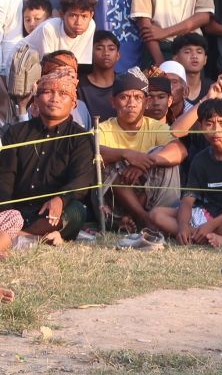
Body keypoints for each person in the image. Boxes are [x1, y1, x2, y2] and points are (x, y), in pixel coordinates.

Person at [148, 97, 222, 246]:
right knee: (156, 214)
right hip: (206, 213)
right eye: (209, 124)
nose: (216, 130)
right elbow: (187, 201)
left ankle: (211, 235)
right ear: (201, 126)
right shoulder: (200, 159)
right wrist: (183, 227)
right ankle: (204, 235)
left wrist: (210, 225)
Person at [0, 68, 92, 243]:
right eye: (48, 92)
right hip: (14, 210)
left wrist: (61, 199)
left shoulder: (81, 138)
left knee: (76, 211)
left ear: (74, 103)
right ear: (36, 100)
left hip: (51, 213)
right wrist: (6, 212)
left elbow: (81, 181)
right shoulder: (16, 132)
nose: (55, 98)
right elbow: (5, 177)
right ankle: (28, 237)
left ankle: (21, 237)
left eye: (63, 93)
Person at [96, 71, 186, 228]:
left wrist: (144, 163)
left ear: (147, 102)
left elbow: (180, 151)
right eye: (124, 97)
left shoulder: (156, 127)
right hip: (116, 202)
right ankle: (142, 219)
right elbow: (91, 152)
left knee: (163, 154)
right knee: (106, 160)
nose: (131, 103)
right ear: (113, 102)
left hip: (154, 201)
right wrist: (126, 154)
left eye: (138, 97)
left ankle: (149, 218)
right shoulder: (103, 129)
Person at [19, 0, 96, 65]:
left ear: (91, 16)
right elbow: (48, 67)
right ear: (62, 14)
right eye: (73, 15)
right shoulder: (49, 28)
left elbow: (82, 63)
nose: (79, 22)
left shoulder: (91, 26)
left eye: (84, 16)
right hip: (20, 65)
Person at [78, 30, 119, 121]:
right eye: (99, 48)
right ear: (90, 53)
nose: (106, 53)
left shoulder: (123, 84)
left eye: (111, 49)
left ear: (118, 55)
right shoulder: (79, 85)